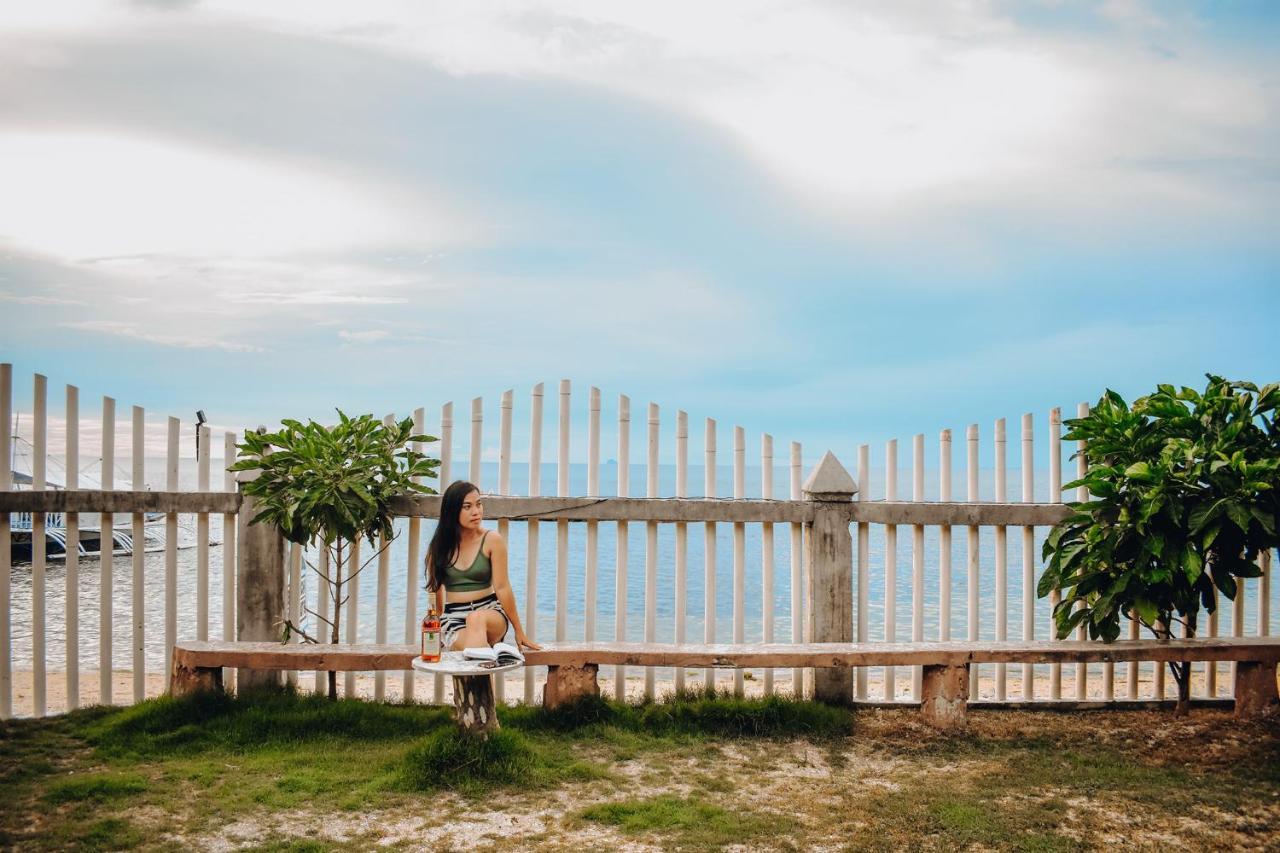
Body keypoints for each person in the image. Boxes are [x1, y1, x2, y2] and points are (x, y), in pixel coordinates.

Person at [425, 480, 541, 653]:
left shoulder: (492, 540)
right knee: (472, 654)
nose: (476, 512)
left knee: (475, 619)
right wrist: (436, 626)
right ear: (452, 511)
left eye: (479, 504)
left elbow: (502, 588)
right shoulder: (438, 547)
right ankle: (483, 673)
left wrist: (519, 630)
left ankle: (478, 669)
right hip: (454, 619)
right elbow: (435, 592)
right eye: (467, 507)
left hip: (490, 612)